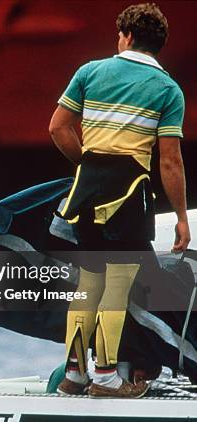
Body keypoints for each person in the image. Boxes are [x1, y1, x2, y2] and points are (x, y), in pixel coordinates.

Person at [49, 3, 190, 398]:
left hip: (86, 193)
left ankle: (75, 374)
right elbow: (169, 160)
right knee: (117, 286)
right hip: (129, 196)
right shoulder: (168, 90)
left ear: (126, 36)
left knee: (88, 284)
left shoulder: (90, 72)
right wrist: (180, 216)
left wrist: (89, 166)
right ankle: (107, 378)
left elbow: (58, 128)